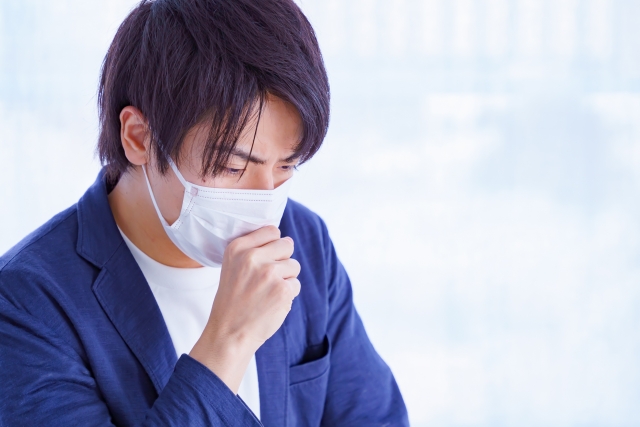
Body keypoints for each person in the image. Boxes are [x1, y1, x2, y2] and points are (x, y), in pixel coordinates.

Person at [0, 0, 408, 425]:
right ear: (138, 137)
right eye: (233, 167)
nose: (265, 200)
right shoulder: (27, 302)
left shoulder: (304, 239)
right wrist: (228, 341)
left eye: (286, 166)